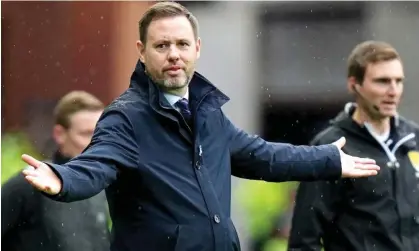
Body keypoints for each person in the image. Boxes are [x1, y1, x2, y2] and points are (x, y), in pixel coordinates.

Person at [20, 3, 379, 251]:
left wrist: (328, 159)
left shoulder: (208, 115)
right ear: (142, 52)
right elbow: (96, 164)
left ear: (197, 49)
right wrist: (62, 178)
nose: (173, 53)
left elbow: (263, 156)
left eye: (181, 44)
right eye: (162, 45)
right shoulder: (125, 118)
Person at [288, 41, 419, 251]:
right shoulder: (331, 147)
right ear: (354, 84)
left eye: (398, 81)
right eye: (382, 81)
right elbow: (304, 240)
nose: (393, 91)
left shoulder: (414, 138)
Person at [2, 91, 110, 251]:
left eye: (101, 133)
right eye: (86, 134)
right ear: (59, 134)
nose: (96, 143)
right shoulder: (29, 183)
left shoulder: (99, 184)